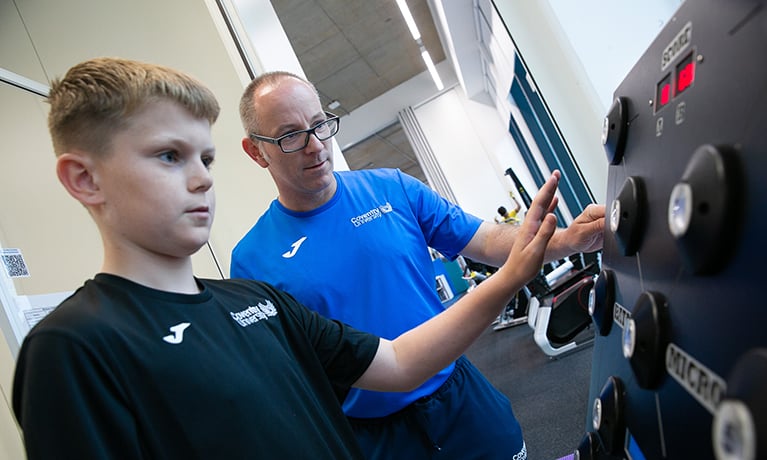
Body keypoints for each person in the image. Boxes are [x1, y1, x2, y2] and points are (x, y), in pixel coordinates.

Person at [11, 57, 561, 460]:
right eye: (169, 156)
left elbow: (397, 363)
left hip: (459, 404)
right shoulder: (74, 347)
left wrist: (528, 262)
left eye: (205, 156)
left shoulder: (253, 302)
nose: (202, 177)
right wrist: (511, 276)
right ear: (84, 179)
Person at [231, 71, 606, 459]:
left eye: (320, 125)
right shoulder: (252, 260)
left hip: (459, 396)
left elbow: (487, 240)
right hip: (375, 436)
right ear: (257, 151)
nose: (315, 146)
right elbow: (288, 382)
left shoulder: (392, 188)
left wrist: (564, 240)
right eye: (290, 135)